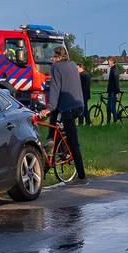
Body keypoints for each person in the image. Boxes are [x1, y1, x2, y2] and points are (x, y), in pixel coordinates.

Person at [41, 46, 87, 182]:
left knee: (73, 143)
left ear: (59, 57)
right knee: (58, 126)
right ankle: (53, 142)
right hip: (79, 106)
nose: (52, 59)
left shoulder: (56, 68)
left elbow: (55, 89)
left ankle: (81, 175)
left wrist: (49, 108)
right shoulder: (73, 65)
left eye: (53, 57)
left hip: (68, 108)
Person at [106, 57, 121, 124]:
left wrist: (117, 92)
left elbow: (116, 82)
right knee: (108, 107)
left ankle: (115, 121)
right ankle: (108, 122)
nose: (108, 63)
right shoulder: (112, 69)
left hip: (113, 92)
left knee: (112, 108)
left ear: (112, 61)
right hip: (110, 91)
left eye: (109, 61)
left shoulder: (114, 70)